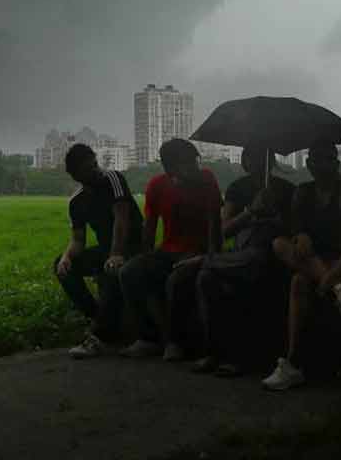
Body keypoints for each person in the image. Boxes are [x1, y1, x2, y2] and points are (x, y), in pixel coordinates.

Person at [262, 142, 341, 391]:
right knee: (281, 247)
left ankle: (293, 362)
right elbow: (294, 230)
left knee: (300, 279)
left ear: (335, 163)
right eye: (315, 160)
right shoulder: (303, 192)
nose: (319, 166)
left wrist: (331, 276)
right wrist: (300, 235)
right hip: (316, 261)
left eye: (326, 160)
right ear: (308, 163)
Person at [191, 147, 294, 376]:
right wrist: (250, 211)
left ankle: (237, 358)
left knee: (252, 266)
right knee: (207, 279)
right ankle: (213, 352)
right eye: (248, 157)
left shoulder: (286, 190)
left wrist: (274, 215)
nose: (252, 162)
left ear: (270, 161)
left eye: (258, 157)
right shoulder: (238, 189)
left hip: (269, 255)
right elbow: (224, 230)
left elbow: (296, 230)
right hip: (241, 256)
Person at [118, 138, 222, 359]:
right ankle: (148, 338)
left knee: (176, 281)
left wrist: (211, 256)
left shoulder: (207, 179)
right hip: (167, 251)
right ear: (171, 167)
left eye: (196, 161)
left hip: (196, 251)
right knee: (129, 272)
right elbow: (150, 224)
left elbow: (215, 223)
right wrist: (146, 256)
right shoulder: (157, 185)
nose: (195, 167)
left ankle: (176, 342)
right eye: (189, 163)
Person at [54, 143, 144, 359]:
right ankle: (98, 317)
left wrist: (116, 253)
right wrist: (66, 257)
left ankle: (100, 335)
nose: (95, 170)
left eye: (95, 164)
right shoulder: (77, 202)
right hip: (106, 250)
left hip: (132, 247)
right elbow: (78, 240)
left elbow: (121, 219)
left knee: (110, 270)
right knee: (63, 267)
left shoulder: (113, 179)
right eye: (88, 168)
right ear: (75, 174)